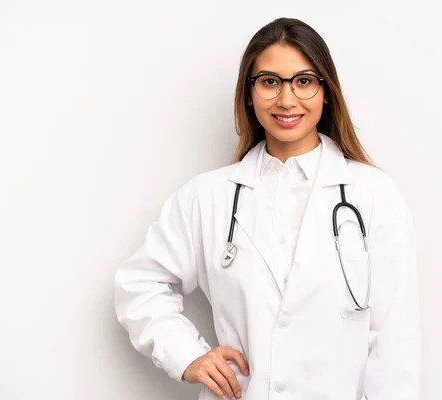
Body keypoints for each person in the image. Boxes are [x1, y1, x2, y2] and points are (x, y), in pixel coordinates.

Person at [115, 17, 420, 400]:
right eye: (270, 82)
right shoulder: (207, 197)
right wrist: (187, 355)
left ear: (327, 92)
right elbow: (139, 283)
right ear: (249, 92)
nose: (286, 99)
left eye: (304, 81)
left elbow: (394, 341)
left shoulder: (374, 195)